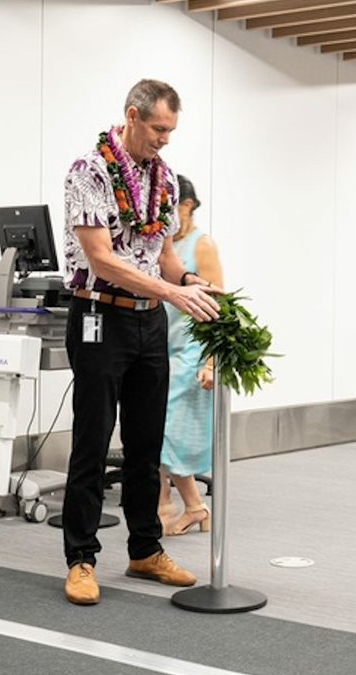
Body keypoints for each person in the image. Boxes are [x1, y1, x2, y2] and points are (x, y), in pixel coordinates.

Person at [61, 79, 223, 606]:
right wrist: (170, 294)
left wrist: (187, 282)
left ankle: (144, 550)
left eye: (172, 131)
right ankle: (81, 559)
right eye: (159, 129)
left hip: (149, 322)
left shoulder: (166, 179)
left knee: (146, 444)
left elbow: (164, 256)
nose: (166, 140)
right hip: (99, 317)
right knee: (92, 439)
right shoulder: (89, 172)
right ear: (132, 116)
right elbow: (103, 259)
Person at [157, 174, 223, 536]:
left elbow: (218, 304)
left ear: (189, 205)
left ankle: (180, 506)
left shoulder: (202, 245)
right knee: (158, 431)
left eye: (175, 210)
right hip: (162, 347)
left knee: (167, 434)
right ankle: (189, 506)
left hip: (192, 352)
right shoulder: (163, 247)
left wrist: (212, 361)